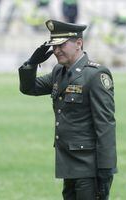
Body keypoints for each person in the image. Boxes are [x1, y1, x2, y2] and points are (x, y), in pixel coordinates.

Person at [18, 20, 117, 200]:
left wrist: (106, 168)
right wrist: (31, 64)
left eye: (61, 45)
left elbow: (105, 125)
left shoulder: (95, 75)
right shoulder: (59, 72)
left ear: (79, 43)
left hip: (90, 167)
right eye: (53, 46)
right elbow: (29, 88)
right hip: (68, 164)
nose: (56, 51)